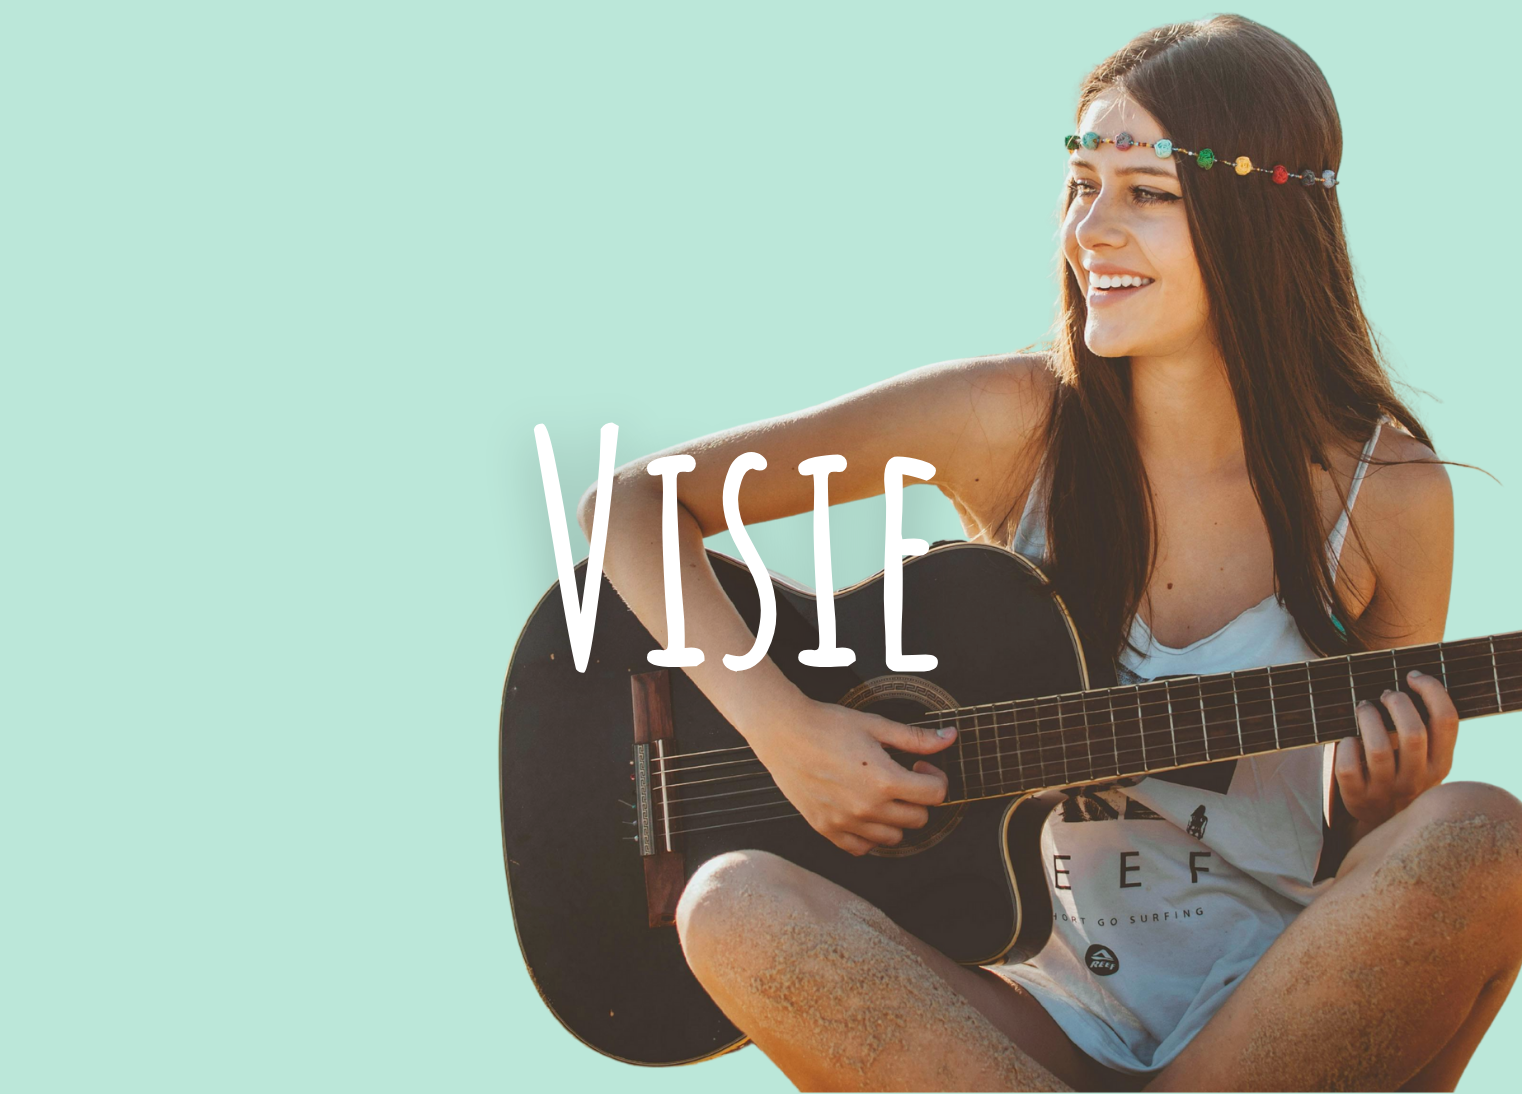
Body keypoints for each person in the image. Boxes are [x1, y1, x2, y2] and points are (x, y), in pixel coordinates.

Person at [576, 14, 1522, 1091]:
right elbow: (634, 504)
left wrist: (1381, 800)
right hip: (1026, 1028)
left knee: (1479, 830)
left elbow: (1365, 873)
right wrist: (789, 732)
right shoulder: (1015, 422)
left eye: (1147, 193)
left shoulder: (1383, 492)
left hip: (1274, 1015)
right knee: (730, 900)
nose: (1092, 231)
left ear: (1260, 217)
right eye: (1080, 185)